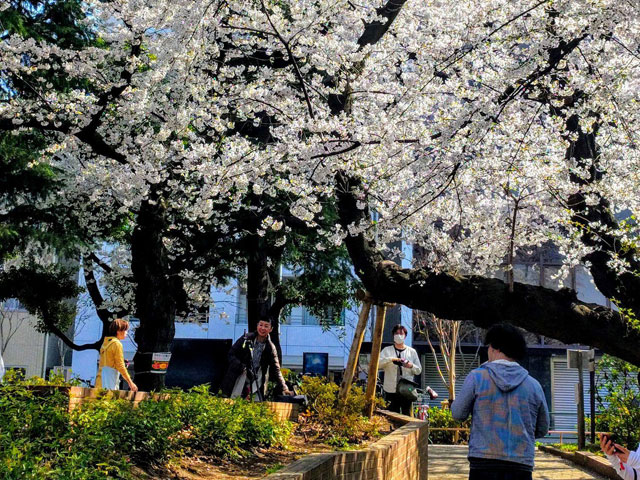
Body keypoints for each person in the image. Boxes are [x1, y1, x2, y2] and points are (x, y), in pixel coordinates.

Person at [451, 324, 549, 480]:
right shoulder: (533, 385)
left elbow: (457, 414)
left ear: (493, 347)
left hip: (483, 461)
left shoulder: (477, 377)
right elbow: (543, 428)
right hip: (521, 462)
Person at [221, 318, 291, 400]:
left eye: (266, 326)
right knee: (235, 401)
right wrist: (241, 366)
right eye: (260, 325)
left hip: (257, 379)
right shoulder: (246, 338)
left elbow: (276, 369)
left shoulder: (270, 347)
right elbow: (231, 354)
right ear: (257, 326)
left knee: (256, 402)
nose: (262, 328)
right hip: (240, 375)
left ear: (271, 329)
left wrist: (284, 387)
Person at [379, 324, 430, 415]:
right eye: (396, 333)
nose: (399, 336)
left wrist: (410, 366)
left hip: (407, 390)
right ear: (393, 335)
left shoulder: (411, 352)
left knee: (408, 416)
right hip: (391, 390)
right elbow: (378, 364)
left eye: (401, 333)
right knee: (391, 416)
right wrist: (391, 359)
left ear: (405, 336)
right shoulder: (387, 350)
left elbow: (418, 370)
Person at [95, 318, 138, 392]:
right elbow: (120, 365)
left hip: (100, 380)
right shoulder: (117, 344)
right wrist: (130, 382)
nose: (126, 333)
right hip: (110, 381)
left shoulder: (106, 343)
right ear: (118, 331)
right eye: (125, 330)